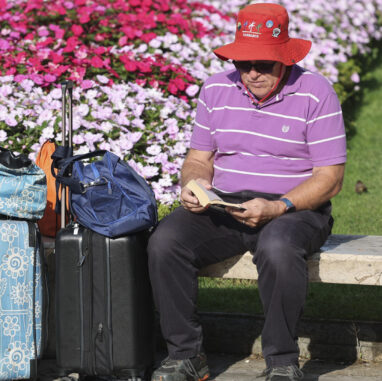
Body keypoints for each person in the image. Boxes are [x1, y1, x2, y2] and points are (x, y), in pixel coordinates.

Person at [147, 4, 346, 381]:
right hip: (226, 201)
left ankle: (282, 363)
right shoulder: (216, 88)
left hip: (296, 207)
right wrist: (194, 183)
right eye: (243, 63)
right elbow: (198, 158)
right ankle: (186, 355)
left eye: (263, 64)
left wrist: (278, 206)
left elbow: (330, 177)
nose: (252, 73)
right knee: (165, 241)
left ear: (285, 59)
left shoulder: (316, 92)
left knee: (277, 248)